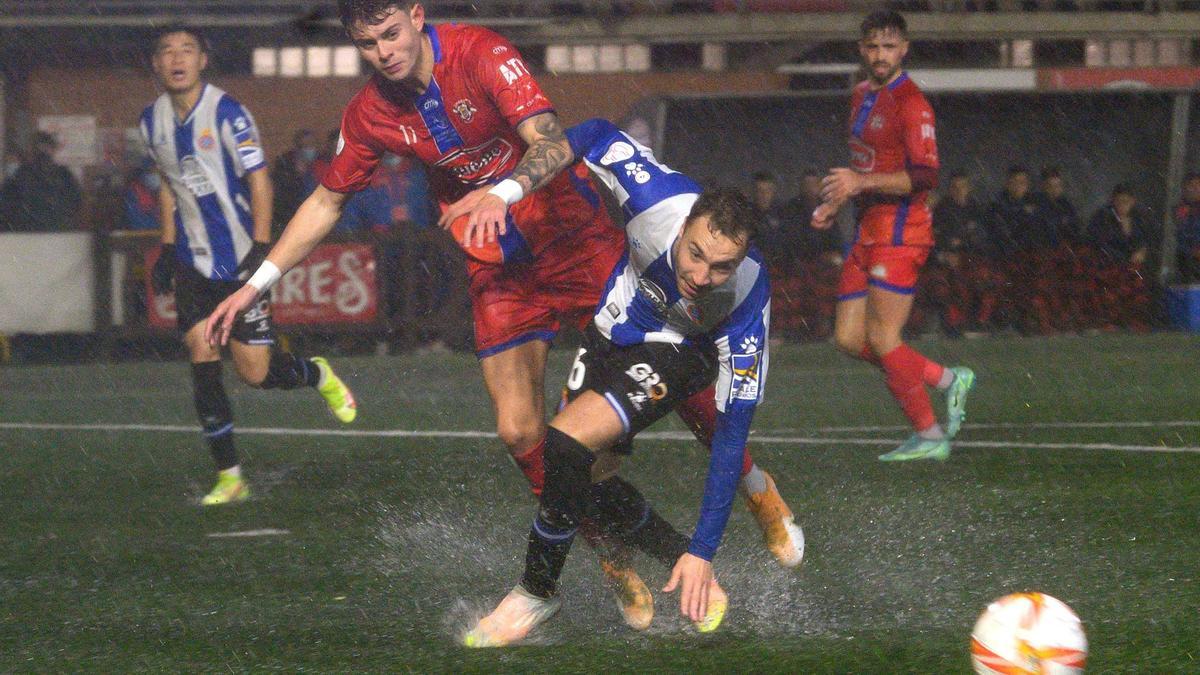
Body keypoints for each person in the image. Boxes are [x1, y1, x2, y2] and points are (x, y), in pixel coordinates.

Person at [205, 0, 801, 630]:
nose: (385, 51)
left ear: (415, 14)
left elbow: (549, 139)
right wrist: (257, 284)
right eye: (368, 43)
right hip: (497, 268)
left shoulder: (480, 53)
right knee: (523, 434)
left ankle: (755, 486)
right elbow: (327, 202)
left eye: (391, 33)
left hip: (575, 243)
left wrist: (503, 190)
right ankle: (609, 551)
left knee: (673, 371)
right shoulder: (370, 113)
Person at [464, 119, 773, 646]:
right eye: (695, 253)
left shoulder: (747, 305)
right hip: (614, 327)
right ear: (683, 226)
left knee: (563, 441)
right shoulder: (654, 197)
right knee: (580, 472)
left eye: (721, 267)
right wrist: (504, 192)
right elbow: (591, 133)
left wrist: (706, 548)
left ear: (741, 260)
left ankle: (537, 592)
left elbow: (731, 438)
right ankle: (669, 554)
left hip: (683, 351)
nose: (701, 277)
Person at [141, 25, 357, 506]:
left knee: (256, 374)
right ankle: (230, 477)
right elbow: (168, 185)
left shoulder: (228, 113)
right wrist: (166, 247)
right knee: (200, 355)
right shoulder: (150, 121)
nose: (177, 58)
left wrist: (260, 249)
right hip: (193, 264)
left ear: (203, 60)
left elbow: (260, 181)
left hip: (239, 261)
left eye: (187, 49)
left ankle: (316, 374)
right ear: (156, 64)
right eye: (167, 51)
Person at [812, 10, 974, 461]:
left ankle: (929, 435)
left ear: (904, 49)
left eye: (888, 46)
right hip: (867, 233)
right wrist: (836, 200)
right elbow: (864, 167)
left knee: (884, 337)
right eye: (871, 46)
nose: (879, 55)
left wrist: (860, 185)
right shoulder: (861, 95)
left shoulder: (913, 103)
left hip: (902, 234)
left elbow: (926, 176)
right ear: (861, 49)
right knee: (847, 339)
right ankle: (945, 378)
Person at [0, 131, 82, 232]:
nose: (43, 150)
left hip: (55, 230)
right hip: (29, 232)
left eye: (46, 147)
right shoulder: (22, 174)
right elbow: (6, 203)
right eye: (40, 147)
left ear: (53, 149)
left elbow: (76, 201)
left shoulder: (64, 174)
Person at [1172, 172, 1200, 282]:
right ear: (1185, 188)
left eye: (1198, 184)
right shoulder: (1181, 209)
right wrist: (1194, 251)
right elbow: (1183, 233)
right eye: (1191, 185)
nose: (1195, 188)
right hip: (1188, 260)